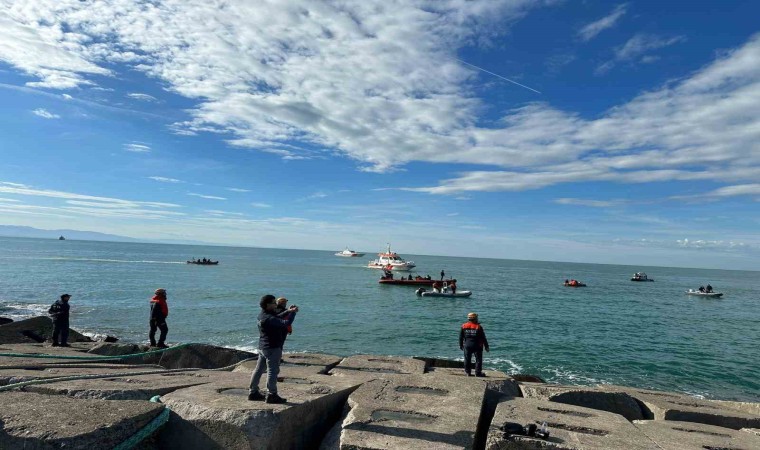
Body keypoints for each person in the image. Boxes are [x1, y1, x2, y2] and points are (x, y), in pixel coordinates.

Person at [249, 294, 298, 404]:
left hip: (263, 347)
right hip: (273, 348)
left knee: (258, 370)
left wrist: (288, 311)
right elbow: (286, 323)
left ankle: (253, 392)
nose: (276, 304)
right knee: (272, 371)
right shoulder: (269, 318)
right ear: (267, 305)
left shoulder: (263, 315)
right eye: (273, 303)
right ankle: (272, 395)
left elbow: (277, 317)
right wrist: (293, 313)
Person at [459, 312, 489, 377]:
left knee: (467, 359)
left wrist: (461, 345)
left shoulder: (463, 326)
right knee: (478, 359)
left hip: (467, 345)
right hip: (477, 345)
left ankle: (468, 373)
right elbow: (483, 338)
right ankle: (478, 373)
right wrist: (486, 346)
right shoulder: (478, 327)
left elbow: (461, 337)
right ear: (475, 318)